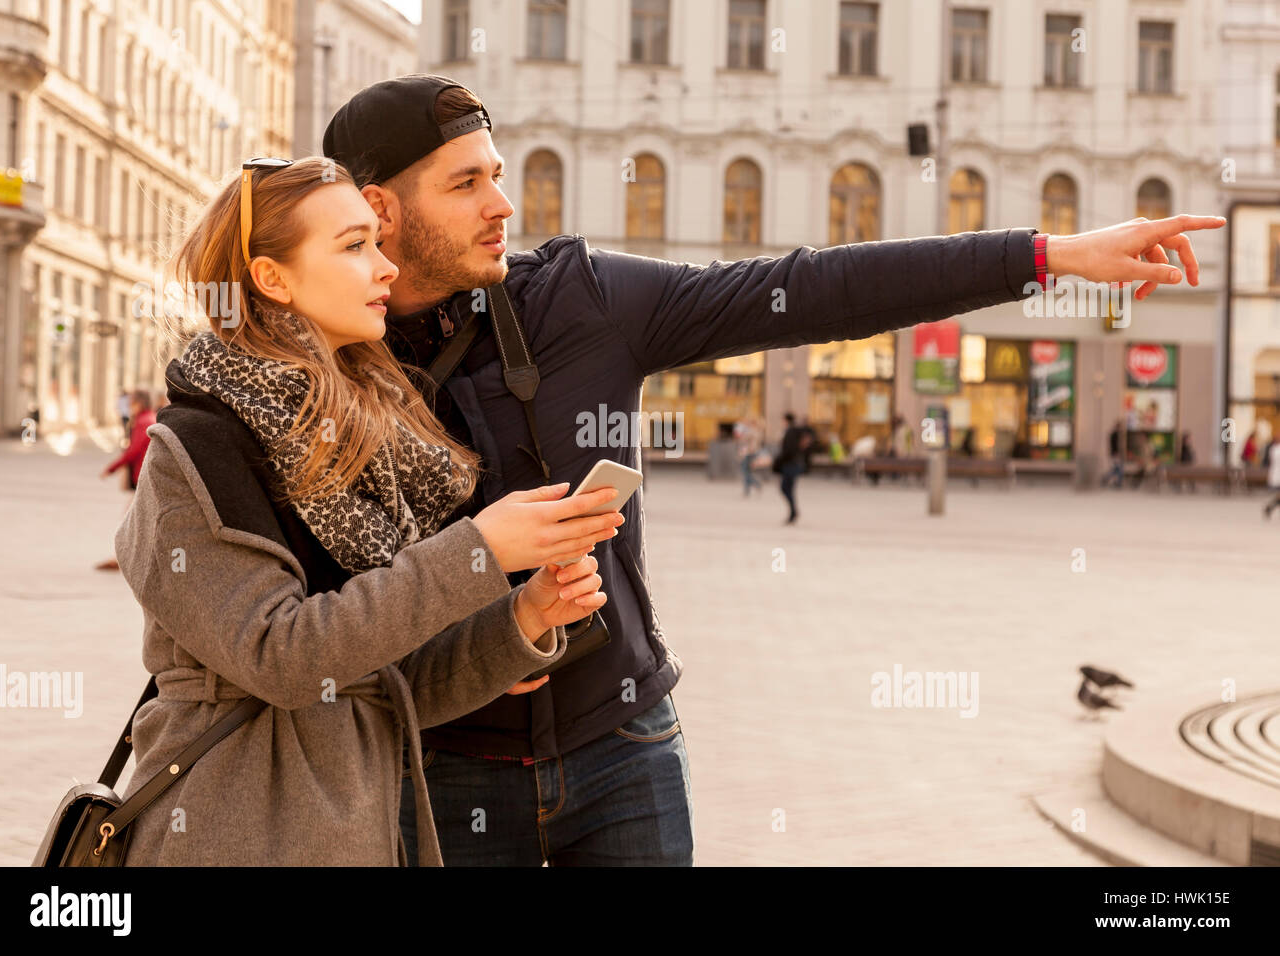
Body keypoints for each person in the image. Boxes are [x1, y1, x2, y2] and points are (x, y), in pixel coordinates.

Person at [321, 73, 1225, 867]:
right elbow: (310, 622)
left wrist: (1046, 257)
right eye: (467, 183)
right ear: (381, 209)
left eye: (502, 175)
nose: (503, 206)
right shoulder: (318, 370)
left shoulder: (581, 298)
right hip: (444, 773)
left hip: (624, 746)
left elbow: (813, 287)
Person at [109, 157, 624, 866]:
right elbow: (284, 659)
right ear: (272, 278)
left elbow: (385, 684)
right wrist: (477, 552)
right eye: (354, 246)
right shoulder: (197, 445)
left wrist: (524, 618)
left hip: (358, 832)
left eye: (376, 244)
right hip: (231, 831)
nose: (386, 268)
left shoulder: (360, 438)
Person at [96, 389, 157, 571]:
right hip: (147, 477)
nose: (129, 407)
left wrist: (111, 468)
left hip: (143, 478)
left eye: (131, 403)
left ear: (139, 403)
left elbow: (133, 451)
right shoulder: (150, 418)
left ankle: (123, 558)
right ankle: (130, 557)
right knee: (139, 519)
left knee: (130, 519)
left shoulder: (143, 422)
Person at [774, 413, 813, 524]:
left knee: (785, 488)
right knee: (788, 489)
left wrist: (778, 462)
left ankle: (793, 511)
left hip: (790, 464)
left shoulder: (791, 432)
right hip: (794, 463)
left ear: (786, 420)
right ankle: (793, 511)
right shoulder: (796, 431)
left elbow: (788, 450)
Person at [735, 416, 764, 496]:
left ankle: (755, 484)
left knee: (745, 471)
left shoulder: (752, 431)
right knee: (747, 471)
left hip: (749, 453)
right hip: (753, 452)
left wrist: (740, 434)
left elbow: (743, 440)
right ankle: (747, 490)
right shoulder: (758, 431)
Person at [1101, 420, 1125, 488]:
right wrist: (1116, 453)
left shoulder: (1115, 434)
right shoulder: (1115, 434)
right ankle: (1117, 483)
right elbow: (1115, 445)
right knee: (1119, 469)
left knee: (1116, 469)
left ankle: (1109, 480)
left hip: (1114, 454)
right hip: (1115, 454)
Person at [1266, 435, 1280, 519]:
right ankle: (1269, 508)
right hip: (1277, 475)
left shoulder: (1273, 448)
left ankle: (1269, 508)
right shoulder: (1275, 449)